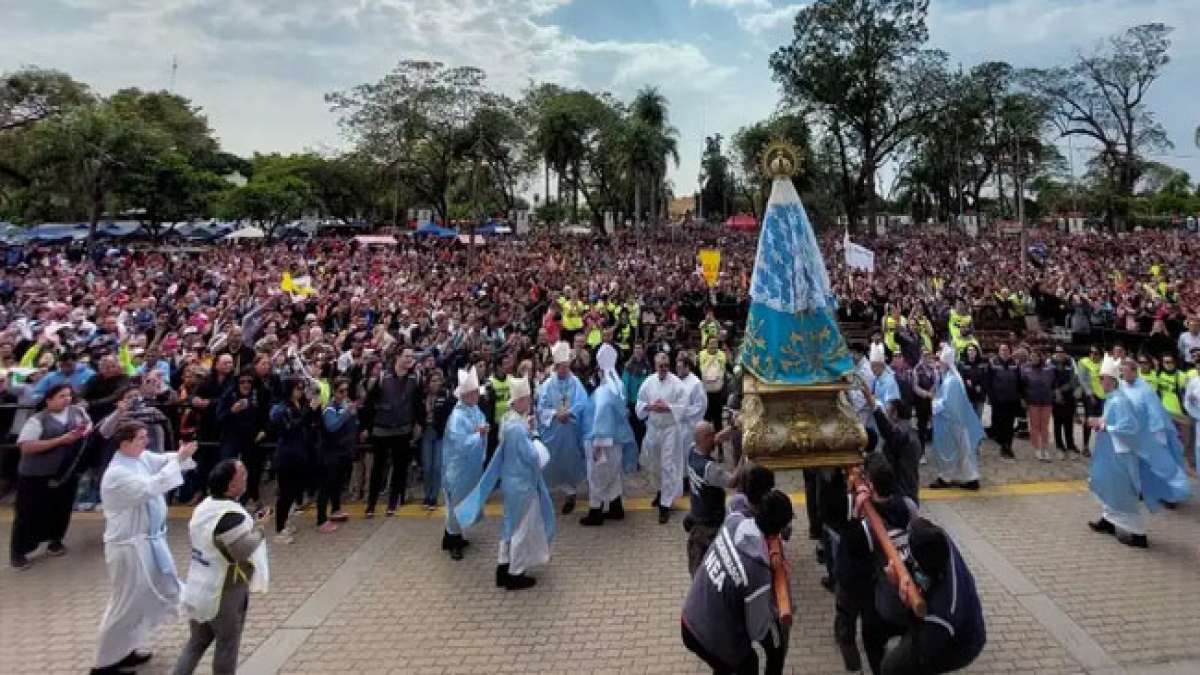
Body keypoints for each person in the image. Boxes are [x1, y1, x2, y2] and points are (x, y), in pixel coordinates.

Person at [90, 423, 197, 675]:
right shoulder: (116, 474)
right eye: (140, 438)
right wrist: (178, 460)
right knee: (124, 603)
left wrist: (181, 455)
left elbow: (162, 461)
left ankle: (125, 650)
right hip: (128, 549)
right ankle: (104, 663)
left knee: (139, 601)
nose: (145, 442)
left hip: (147, 544)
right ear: (124, 443)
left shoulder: (138, 459)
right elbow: (151, 487)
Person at [455, 377, 556, 590]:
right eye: (527, 399)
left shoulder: (508, 421)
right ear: (519, 401)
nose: (529, 403)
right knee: (521, 528)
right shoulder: (518, 428)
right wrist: (535, 436)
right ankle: (515, 573)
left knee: (509, 526)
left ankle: (502, 567)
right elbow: (532, 457)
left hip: (511, 483)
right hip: (522, 485)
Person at [681, 489, 793, 675]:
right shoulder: (757, 574)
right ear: (776, 531)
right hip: (706, 634)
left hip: (690, 617)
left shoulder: (734, 522)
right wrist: (774, 604)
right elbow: (757, 630)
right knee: (748, 664)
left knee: (727, 663)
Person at [174, 460, 271, 675]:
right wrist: (261, 528)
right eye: (242, 475)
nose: (246, 477)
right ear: (230, 486)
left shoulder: (205, 506)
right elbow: (240, 550)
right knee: (227, 647)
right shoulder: (231, 516)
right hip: (225, 591)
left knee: (196, 643)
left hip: (198, 585)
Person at [876, 518, 986, 674]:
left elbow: (923, 641)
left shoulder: (941, 612)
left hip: (959, 644)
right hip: (958, 621)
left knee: (892, 667)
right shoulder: (939, 541)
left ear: (923, 568)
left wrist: (897, 587)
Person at [10, 383, 92, 569]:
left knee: (61, 509)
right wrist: (60, 440)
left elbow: (88, 426)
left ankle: (55, 541)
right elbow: (25, 446)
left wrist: (83, 432)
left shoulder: (76, 412)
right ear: (49, 400)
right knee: (28, 513)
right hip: (35, 474)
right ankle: (19, 552)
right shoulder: (38, 420)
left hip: (66, 472)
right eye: (62, 396)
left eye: (69, 395)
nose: (67, 399)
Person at [1087, 356, 1152, 547]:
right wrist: (1100, 422)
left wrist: (1104, 426)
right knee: (1109, 486)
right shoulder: (1113, 399)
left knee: (1122, 492)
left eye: (1102, 378)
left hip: (1120, 454)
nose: (1100, 382)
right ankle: (1108, 521)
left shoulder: (1120, 400)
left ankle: (1139, 535)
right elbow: (1112, 421)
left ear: (1112, 380)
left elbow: (1129, 427)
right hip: (1110, 452)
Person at [361, 347, 424, 516]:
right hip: (381, 430)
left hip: (403, 430)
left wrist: (419, 423)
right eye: (406, 356)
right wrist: (366, 427)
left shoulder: (415, 378)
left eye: (412, 356)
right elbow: (369, 404)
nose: (410, 359)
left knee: (399, 468)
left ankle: (392, 503)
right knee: (377, 469)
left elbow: (418, 403)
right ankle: (371, 504)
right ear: (398, 357)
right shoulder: (383, 377)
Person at [580, 343, 637, 525]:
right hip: (617, 438)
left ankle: (595, 511)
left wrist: (599, 442)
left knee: (596, 473)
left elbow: (602, 414)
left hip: (602, 439)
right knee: (614, 472)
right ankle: (615, 507)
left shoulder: (605, 387)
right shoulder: (617, 382)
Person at [441, 367, 488, 560]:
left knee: (463, 500)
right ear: (466, 395)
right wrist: (479, 434)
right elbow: (460, 443)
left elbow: (481, 424)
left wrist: (482, 431)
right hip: (458, 468)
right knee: (456, 503)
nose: (478, 396)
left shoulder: (473, 409)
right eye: (474, 393)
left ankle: (451, 536)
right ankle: (453, 540)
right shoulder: (457, 417)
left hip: (469, 467)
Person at [536, 341, 588, 514]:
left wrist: (570, 413)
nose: (563, 370)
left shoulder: (576, 383)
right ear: (556, 366)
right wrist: (554, 415)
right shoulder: (547, 385)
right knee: (553, 461)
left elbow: (583, 402)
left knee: (569, 460)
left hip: (570, 430)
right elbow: (541, 408)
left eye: (566, 366)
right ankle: (550, 491)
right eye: (560, 367)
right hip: (554, 430)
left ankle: (571, 493)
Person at [637, 352, 689, 524]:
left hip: (669, 430)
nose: (664, 369)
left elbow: (683, 405)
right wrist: (650, 406)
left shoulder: (677, 383)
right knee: (655, 464)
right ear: (655, 366)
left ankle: (665, 505)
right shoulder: (648, 382)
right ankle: (660, 492)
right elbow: (640, 402)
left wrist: (668, 407)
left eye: (666, 366)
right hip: (654, 428)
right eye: (660, 366)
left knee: (667, 465)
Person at [269, 380, 320, 544]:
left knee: (294, 492)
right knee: (285, 494)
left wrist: (314, 408)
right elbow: (289, 429)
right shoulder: (281, 409)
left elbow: (309, 423)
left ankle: (286, 522)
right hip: (287, 456)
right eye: (298, 388)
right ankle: (279, 529)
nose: (301, 391)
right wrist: (308, 411)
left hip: (300, 454)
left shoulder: (299, 404)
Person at [683, 421, 734, 575]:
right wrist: (744, 458)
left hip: (697, 520)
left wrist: (733, 429)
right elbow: (732, 481)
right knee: (704, 574)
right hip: (709, 529)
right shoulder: (708, 468)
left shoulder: (692, 451)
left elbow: (713, 438)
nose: (716, 440)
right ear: (706, 438)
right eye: (712, 435)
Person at [930, 345, 983, 490]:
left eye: (940, 362)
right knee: (963, 451)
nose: (938, 364)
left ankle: (946, 478)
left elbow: (949, 404)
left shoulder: (951, 381)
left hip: (954, 423)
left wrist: (935, 405)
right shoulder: (949, 377)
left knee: (952, 451)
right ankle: (970, 478)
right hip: (956, 423)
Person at [318, 378, 357, 533]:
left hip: (342, 450)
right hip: (330, 452)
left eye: (346, 390)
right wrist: (347, 413)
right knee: (326, 485)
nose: (344, 394)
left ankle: (336, 509)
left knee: (337, 483)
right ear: (334, 392)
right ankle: (321, 519)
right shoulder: (330, 408)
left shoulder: (343, 405)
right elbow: (332, 426)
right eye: (341, 391)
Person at [419, 368, 455, 509]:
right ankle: (427, 495)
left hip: (440, 433)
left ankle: (434, 497)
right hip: (426, 432)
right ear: (428, 383)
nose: (436, 383)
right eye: (433, 381)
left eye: (438, 381)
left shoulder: (445, 396)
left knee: (437, 466)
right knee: (427, 466)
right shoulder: (423, 397)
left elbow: (449, 414)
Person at [1021, 347, 1056, 461]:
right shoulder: (1025, 369)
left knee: (1044, 426)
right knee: (1035, 426)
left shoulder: (1049, 368)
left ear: (1040, 357)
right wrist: (1023, 399)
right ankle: (1037, 449)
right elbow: (1022, 385)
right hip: (1032, 402)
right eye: (1032, 357)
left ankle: (1045, 449)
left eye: (1036, 357)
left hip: (1047, 402)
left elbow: (1054, 383)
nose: (1034, 358)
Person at [1051, 345, 1079, 457]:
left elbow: (1075, 379)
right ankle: (1059, 446)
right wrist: (1056, 392)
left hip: (1069, 396)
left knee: (1068, 423)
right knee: (1057, 423)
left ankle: (1070, 445)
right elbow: (1049, 379)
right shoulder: (1050, 362)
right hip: (1056, 398)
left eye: (1062, 351)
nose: (1059, 353)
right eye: (1057, 351)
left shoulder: (1071, 361)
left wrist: (1063, 390)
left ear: (1065, 352)